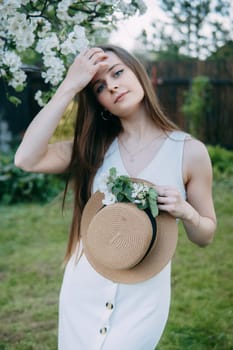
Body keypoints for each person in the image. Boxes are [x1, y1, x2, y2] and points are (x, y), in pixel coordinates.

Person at [15, 45, 216, 350]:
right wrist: (70, 85)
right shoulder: (92, 148)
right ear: (100, 103)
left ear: (139, 73)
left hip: (144, 299)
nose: (113, 86)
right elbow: (26, 159)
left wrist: (187, 212)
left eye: (118, 72)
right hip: (83, 290)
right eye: (99, 87)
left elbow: (206, 235)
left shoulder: (189, 152)